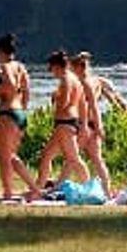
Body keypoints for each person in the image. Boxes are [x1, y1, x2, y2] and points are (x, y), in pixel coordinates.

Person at [35, 50, 90, 193]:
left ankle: (89, 187)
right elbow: (82, 104)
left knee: (73, 159)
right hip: (69, 122)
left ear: (57, 66)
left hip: (64, 123)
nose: (52, 73)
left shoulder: (66, 80)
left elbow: (64, 103)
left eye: (51, 69)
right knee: (47, 155)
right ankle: (38, 188)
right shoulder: (75, 79)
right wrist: (83, 125)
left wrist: (55, 97)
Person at [0, 33, 35, 200]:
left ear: (0, 52)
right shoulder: (21, 67)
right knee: (11, 155)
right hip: (19, 114)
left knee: (3, 157)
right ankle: (33, 187)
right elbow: (27, 90)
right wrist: (22, 109)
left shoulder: (5, 66)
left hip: (7, 113)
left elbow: (10, 84)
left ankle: (8, 192)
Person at [72, 50, 120, 191]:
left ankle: (64, 186)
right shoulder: (97, 80)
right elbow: (107, 97)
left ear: (79, 68)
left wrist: (96, 127)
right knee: (96, 158)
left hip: (86, 124)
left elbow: (92, 105)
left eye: (73, 69)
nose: (72, 72)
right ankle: (106, 190)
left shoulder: (84, 83)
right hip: (92, 123)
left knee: (73, 157)